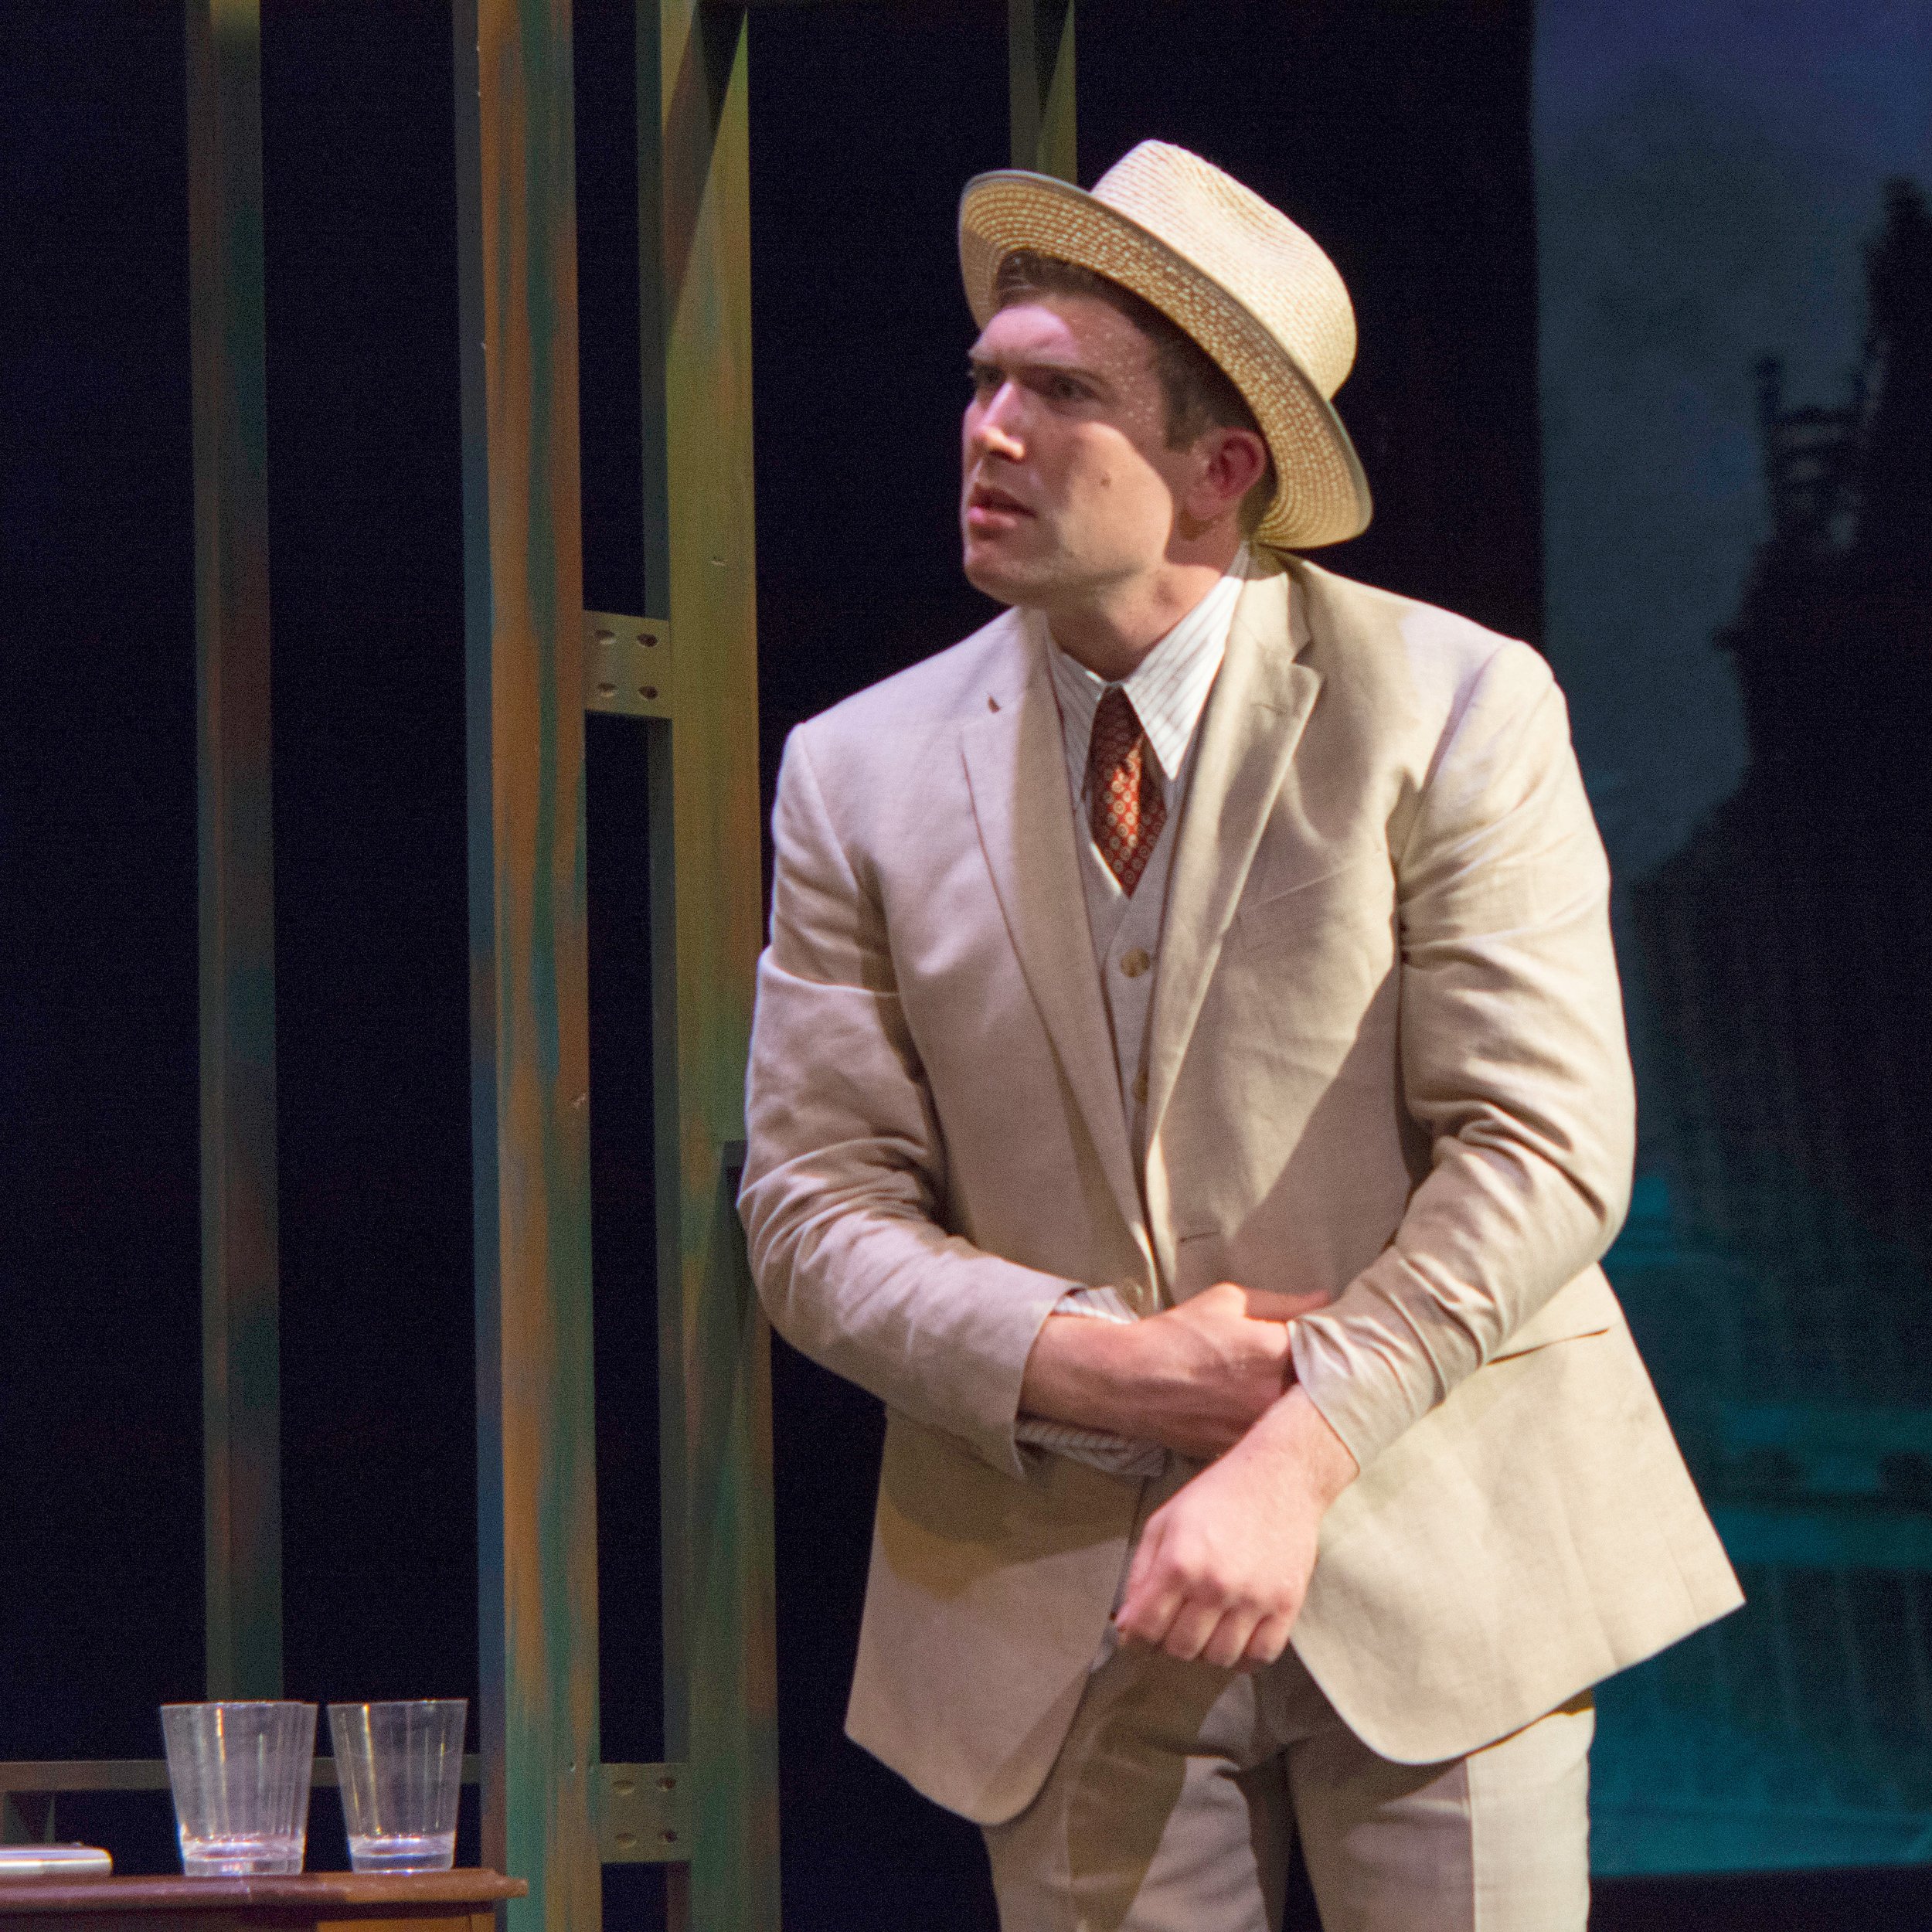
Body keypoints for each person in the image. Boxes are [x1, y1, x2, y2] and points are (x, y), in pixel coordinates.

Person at [738, 141, 1740, 1932]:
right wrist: (1096, 1366)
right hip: (1054, 1596)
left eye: (1062, 393)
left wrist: (1290, 1447)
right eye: (984, 381)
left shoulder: (1450, 706)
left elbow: (1544, 1147)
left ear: (1219, 470)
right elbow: (811, 1214)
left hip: (1441, 1550)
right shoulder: (854, 770)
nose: (991, 430)